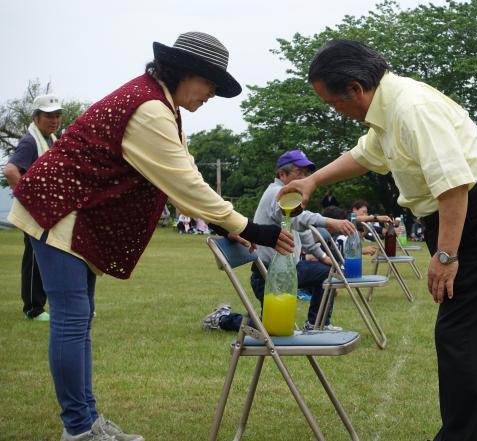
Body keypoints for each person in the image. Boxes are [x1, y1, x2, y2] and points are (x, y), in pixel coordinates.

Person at [8, 32, 294, 441]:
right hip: (59, 210)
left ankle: (86, 422)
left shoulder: (164, 107)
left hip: (75, 214)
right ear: (186, 73)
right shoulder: (150, 109)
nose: (210, 95)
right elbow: (188, 185)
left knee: (79, 319)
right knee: (72, 321)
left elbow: (185, 177)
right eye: (209, 85)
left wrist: (224, 223)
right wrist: (250, 227)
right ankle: (79, 429)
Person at [278, 40, 477, 441]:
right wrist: (312, 179)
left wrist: (446, 254)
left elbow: (454, 185)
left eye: (333, 103)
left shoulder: (410, 108)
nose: (337, 112)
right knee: (465, 337)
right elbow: (364, 155)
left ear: (354, 88)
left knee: (466, 337)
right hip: (473, 217)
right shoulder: (388, 111)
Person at [202, 149, 354, 332]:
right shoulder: (276, 193)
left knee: (273, 326)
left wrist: (322, 255)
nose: (305, 178)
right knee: (271, 328)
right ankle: (222, 319)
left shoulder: (291, 197)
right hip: (268, 274)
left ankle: (316, 324)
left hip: (285, 271)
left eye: (307, 174)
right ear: (282, 173)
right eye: (300, 173)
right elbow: (298, 218)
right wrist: (328, 221)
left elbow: (301, 230)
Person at [4, 94, 63, 321]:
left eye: (57, 115)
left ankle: (46, 304)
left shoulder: (50, 139)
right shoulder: (30, 141)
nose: (54, 119)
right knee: (35, 256)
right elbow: (10, 171)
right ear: (36, 117)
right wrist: (31, 201)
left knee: (47, 256)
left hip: (46, 211)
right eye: (48, 115)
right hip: (32, 212)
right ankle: (33, 308)